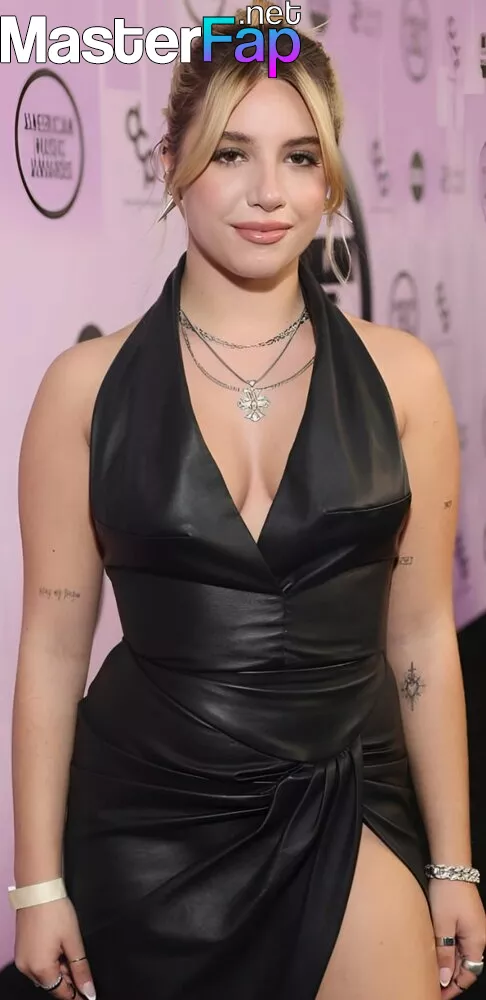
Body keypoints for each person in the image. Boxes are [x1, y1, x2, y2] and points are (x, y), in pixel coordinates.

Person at [9, 4, 486, 999]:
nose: (269, 191)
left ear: (331, 176)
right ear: (171, 162)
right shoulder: (83, 390)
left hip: (345, 792)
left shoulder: (403, 379)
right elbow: (53, 648)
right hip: (147, 820)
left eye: (300, 157)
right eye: (231, 153)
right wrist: (38, 884)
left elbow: (420, 639)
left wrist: (454, 863)